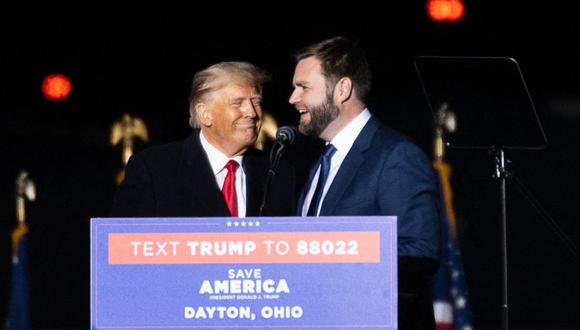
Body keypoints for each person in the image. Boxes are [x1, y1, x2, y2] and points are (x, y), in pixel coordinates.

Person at [289, 37, 441, 329]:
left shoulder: (395, 155)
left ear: (343, 89)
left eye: (303, 87)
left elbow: (420, 250)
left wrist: (341, 260)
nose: (293, 98)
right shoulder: (320, 165)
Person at [112, 61, 295, 217]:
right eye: (237, 103)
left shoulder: (279, 173)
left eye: (256, 102)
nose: (252, 112)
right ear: (205, 114)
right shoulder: (153, 169)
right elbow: (122, 245)